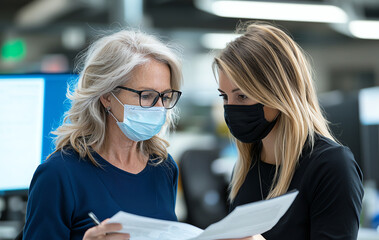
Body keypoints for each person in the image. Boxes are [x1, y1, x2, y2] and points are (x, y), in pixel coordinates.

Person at [23, 29, 182, 240]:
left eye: (166, 96)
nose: (159, 107)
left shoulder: (163, 167)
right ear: (107, 96)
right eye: (147, 96)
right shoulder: (59, 175)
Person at [213, 22, 364, 240]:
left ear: (279, 93)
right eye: (224, 97)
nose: (230, 107)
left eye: (242, 96)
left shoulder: (332, 166)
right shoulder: (248, 165)